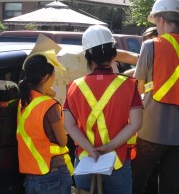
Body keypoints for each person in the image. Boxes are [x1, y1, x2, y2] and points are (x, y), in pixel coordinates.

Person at [132, 0, 179, 194]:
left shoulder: (151, 46)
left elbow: (138, 89)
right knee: (170, 187)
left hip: (150, 132)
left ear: (160, 20)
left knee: (138, 182)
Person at [63, 24, 143, 194]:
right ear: (114, 54)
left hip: (85, 162)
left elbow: (69, 125)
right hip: (117, 162)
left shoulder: (73, 87)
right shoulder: (129, 85)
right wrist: (108, 147)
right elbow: (136, 123)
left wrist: (90, 149)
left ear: (87, 56)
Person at [17, 48, 74, 194]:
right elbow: (63, 141)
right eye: (54, 73)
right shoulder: (49, 106)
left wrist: (48, 91)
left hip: (31, 178)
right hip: (53, 176)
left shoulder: (23, 103)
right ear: (46, 77)